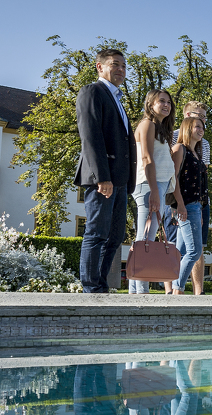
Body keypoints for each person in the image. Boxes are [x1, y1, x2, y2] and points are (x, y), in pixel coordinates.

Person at [75, 48, 137, 293]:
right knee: (97, 233)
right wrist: (102, 177)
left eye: (123, 65)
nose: (121, 69)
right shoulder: (92, 92)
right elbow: (91, 137)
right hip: (104, 178)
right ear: (100, 67)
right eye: (115, 64)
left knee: (114, 237)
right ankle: (90, 287)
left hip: (120, 180)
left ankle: (100, 285)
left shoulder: (117, 99)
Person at [129, 89, 178, 294]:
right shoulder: (147, 124)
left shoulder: (160, 129)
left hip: (158, 185)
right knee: (146, 238)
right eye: (161, 101)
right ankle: (142, 290)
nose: (166, 105)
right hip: (150, 185)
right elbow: (147, 159)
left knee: (144, 236)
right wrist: (154, 192)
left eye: (169, 102)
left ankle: (134, 289)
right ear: (150, 104)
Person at [168, 102, 211, 295]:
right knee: (194, 251)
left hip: (196, 206)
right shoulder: (180, 149)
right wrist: (179, 206)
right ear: (187, 126)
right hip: (185, 206)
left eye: (202, 126)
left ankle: (176, 290)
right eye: (197, 126)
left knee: (181, 250)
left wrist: (201, 209)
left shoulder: (197, 152)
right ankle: (177, 288)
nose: (201, 129)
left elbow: (202, 184)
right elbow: (174, 179)